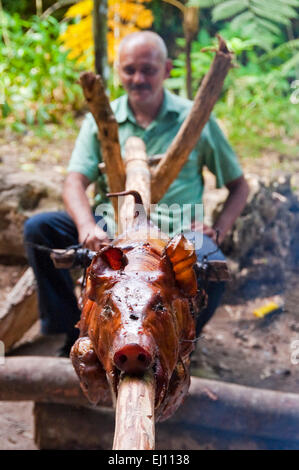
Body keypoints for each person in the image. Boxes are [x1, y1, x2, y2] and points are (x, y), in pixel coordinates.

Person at [24, 31, 249, 356]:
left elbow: (239, 185)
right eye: (129, 70)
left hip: (176, 238)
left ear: (167, 69)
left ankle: (178, 345)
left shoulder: (195, 120)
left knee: (211, 262)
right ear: (118, 71)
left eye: (148, 69)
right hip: (112, 233)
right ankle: (77, 334)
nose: (138, 78)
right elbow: (74, 182)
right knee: (39, 230)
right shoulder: (102, 117)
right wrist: (88, 227)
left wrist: (219, 228)